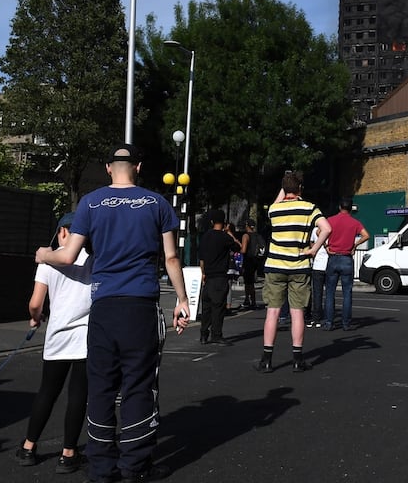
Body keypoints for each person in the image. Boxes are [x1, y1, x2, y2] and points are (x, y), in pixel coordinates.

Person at [35, 144, 190, 483]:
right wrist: (182, 299)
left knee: (102, 385)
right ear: (139, 166)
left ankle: (102, 467)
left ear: (108, 168)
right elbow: (172, 259)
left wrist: (44, 254)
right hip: (141, 306)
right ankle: (134, 466)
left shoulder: (90, 202)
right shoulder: (157, 203)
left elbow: (69, 255)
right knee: (138, 384)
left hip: (103, 306)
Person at [16, 213, 91, 475]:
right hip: (86, 337)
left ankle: (28, 447)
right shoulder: (91, 260)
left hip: (57, 335)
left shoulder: (48, 260)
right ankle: (68, 453)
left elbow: (35, 304)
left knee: (47, 391)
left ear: (62, 232)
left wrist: (36, 319)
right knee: (78, 395)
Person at [254, 171, 331, 373]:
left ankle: (267, 359)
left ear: (284, 189)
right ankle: (297, 359)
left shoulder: (274, 210)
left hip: (275, 266)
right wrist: (314, 249)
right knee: (297, 313)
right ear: (300, 189)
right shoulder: (309, 208)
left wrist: (286, 182)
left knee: (272, 312)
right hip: (299, 266)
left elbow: (281, 197)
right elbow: (327, 229)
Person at [324, 198, 370, 331]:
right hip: (346, 258)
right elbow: (366, 235)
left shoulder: (331, 220)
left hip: (333, 257)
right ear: (351, 208)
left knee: (330, 292)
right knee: (347, 292)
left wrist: (326, 246)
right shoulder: (355, 223)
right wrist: (355, 245)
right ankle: (346, 323)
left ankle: (329, 322)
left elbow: (319, 232)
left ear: (339, 207)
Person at [198, 210, 241, 345]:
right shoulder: (225, 237)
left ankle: (204, 334)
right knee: (218, 307)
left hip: (208, 276)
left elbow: (202, 258)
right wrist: (229, 233)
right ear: (224, 223)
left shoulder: (205, 236)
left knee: (206, 308)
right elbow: (239, 247)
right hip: (220, 277)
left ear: (211, 222)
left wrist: (203, 273)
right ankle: (216, 334)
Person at [240, 219, 266, 309]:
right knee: (251, 282)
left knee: (248, 282)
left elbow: (243, 250)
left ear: (247, 226)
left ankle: (248, 300)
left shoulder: (246, 236)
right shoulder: (257, 235)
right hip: (256, 260)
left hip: (248, 260)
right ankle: (252, 300)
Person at [308, 224, 329, 328]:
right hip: (329, 264)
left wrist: (314, 251)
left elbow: (312, 242)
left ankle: (316, 317)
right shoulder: (331, 230)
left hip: (317, 264)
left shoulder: (315, 230)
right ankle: (328, 317)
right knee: (329, 294)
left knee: (317, 293)